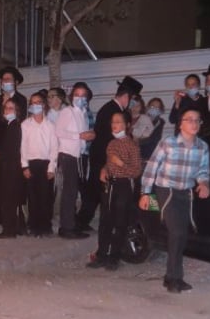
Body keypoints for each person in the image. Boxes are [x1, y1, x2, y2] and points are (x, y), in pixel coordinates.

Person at [139, 108, 210, 293]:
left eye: (197, 120)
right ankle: (174, 279)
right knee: (177, 233)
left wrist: (204, 183)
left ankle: (171, 277)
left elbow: (203, 170)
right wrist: (145, 193)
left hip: (185, 192)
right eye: (190, 120)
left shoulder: (202, 146)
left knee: (181, 235)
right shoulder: (168, 143)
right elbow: (152, 167)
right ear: (180, 124)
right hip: (167, 190)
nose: (194, 123)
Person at [82, 77, 142, 232]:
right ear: (126, 96)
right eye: (133, 99)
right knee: (96, 191)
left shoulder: (112, 109)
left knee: (96, 191)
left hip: (104, 157)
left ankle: (83, 221)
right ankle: (81, 222)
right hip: (104, 157)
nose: (133, 103)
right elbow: (110, 138)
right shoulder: (113, 111)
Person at [91, 111, 143, 270]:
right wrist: (104, 169)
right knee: (105, 221)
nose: (115, 125)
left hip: (123, 186)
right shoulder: (111, 143)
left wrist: (120, 164)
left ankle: (114, 256)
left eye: (119, 122)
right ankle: (101, 254)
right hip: (109, 185)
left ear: (127, 125)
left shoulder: (131, 145)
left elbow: (136, 171)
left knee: (119, 222)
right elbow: (109, 163)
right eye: (113, 122)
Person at [54, 81, 94, 239]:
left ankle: (71, 223)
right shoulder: (67, 112)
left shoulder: (83, 113)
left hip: (79, 155)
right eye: (77, 94)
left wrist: (89, 136)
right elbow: (58, 131)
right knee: (69, 191)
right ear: (71, 96)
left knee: (73, 190)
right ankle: (66, 227)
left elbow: (83, 135)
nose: (80, 98)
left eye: (83, 95)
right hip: (68, 154)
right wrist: (79, 136)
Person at [20, 90, 58, 237]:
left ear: (44, 105)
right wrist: (25, 166)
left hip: (45, 164)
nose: (35, 105)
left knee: (46, 196)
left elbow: (54, 148)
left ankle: (45, 225)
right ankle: (34, 225)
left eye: (38, 103)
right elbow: (22, 147)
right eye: (33, 103)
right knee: (33, 196)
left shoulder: (50, 125)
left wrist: (51, 168)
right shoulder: (25, 125)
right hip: (31, 164)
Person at [0, 98, 24, 239]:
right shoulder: (10, 125)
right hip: (10, 167)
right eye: (6, 108)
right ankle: (13, 227)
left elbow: (11, 150)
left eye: (11, 108)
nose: (7, 111)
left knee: (8, 199)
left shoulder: (14, 126)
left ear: (17, 111)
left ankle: (9, 230)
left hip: (10, 168)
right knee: (10, 199)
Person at [0, 66, 27, 136]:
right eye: (4, 79)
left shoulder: (21, 99)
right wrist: (3, 104)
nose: (6, 81)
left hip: (15, 137)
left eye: (8, 79)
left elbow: (20, 120)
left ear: (16, 82)